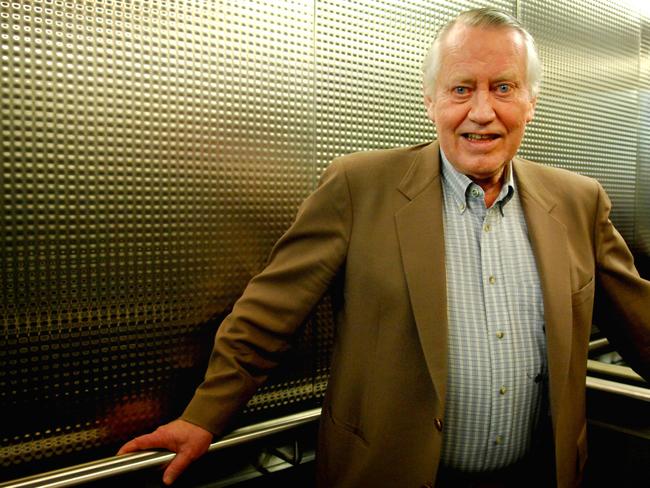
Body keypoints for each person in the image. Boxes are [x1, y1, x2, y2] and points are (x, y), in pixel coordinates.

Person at [118, 8, 650, 488]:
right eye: (461, 89)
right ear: (432, 101)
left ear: (531, 102)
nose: (482, 111)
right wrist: (202, 416)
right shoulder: (358, 188)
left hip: (538, 475)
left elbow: (637, 320)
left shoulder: (579, 201)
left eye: (504, 87)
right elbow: (268, 315)